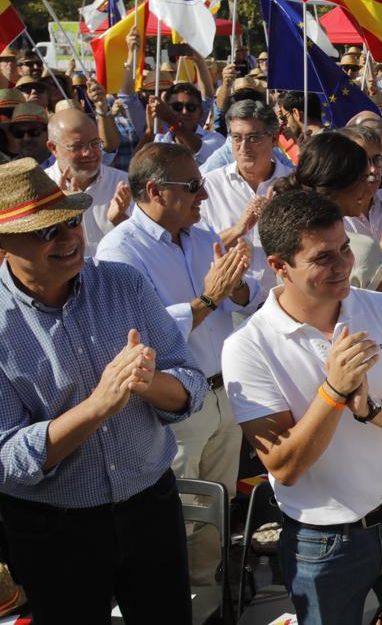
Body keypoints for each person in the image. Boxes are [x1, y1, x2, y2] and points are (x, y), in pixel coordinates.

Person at [223, 189, 382, 625]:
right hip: (320, 542)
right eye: (323, 257)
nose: (343, 264)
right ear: (278, 267)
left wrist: (370, 409)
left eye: (344, 248)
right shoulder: (248, 348)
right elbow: (285, 465)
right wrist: (333, 393)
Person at [0, 157, 207, 623]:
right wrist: (97, 407)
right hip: (54, 531)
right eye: (46, 231)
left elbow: (190, 384)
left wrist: (150, 384)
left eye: (71, 221)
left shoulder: (123, 283)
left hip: (149, 507)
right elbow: (6, 460)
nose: (70, 237)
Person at [95, 142, 256, 586]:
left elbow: (249, 293)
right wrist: (208, 299)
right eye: (193, 187)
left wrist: (236, 289)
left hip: (225, 396)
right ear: (156, 191)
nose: (203, 195)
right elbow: (135, 336)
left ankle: (208, 600)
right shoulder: (119, 251)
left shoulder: (203, 238)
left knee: (215, 514)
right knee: (176, 521)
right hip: (174, 407)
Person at [273, 132, 382, 298]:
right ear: (340, 184)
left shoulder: (288, 237)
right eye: (363, 178)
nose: (367, 187)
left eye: (378, 160)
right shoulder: (363, 249)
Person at [199, 104, 294, 300]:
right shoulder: (208, 187)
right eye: (236, 138)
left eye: (253, 138)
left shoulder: (296, 185)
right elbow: (195, 251)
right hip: (229, 307)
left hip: (286, 303)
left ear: (274, 139)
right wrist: (238, 230)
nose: (244, 147)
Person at [43, 108, 131, 256]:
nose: (88, 153)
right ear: (53, 148)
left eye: (95, 143)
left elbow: (146, 248)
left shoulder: (124, 183)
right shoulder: (40, 190)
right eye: (77, 147)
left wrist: (121, 221)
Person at [149, 82, 227, 165]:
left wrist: (172, 121)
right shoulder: (160, 141)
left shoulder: (217, 139)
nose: (184, 112)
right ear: (167, 109)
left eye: (191, 107)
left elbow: (206, 157)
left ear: (200, 112)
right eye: (177, 107)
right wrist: (149, 131)